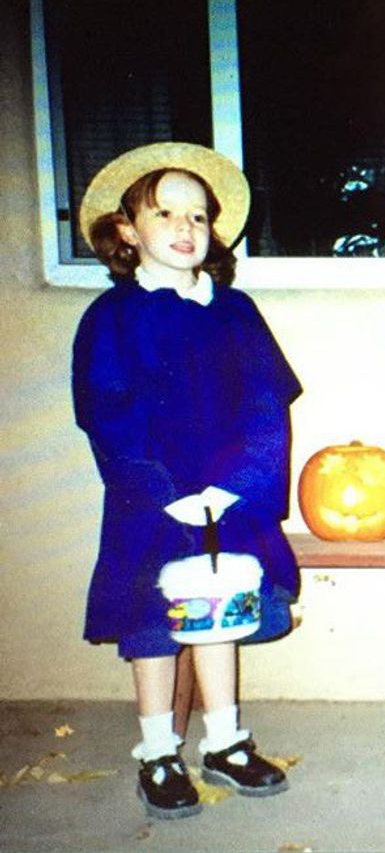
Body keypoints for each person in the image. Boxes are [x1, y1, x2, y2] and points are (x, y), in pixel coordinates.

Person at [71, 142, 303, 820]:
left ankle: (225, 742)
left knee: (219, 613)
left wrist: (237, 486)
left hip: (229, 498)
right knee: (153, 621)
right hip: (153, 502)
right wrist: (162, 493)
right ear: (126, 231)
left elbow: (266, 404)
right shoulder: (111, 318)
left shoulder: (235, 313)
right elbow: (107, 413)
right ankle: (158, 751)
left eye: (198, 216)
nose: (185, 227)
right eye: (165, 213)